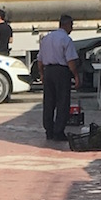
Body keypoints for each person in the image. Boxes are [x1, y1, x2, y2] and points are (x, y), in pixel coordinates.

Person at [37, 14, 78, 142]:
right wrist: (76, 76)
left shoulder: (46, 38)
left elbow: (40, 60)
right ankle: (58, 131)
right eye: (71, 25)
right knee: (62, 102)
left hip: (48, 71)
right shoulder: (66, 39)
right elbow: (71, 61)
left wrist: (42, 74)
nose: (72, 28)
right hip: (61, 71)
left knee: (48, 102)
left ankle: (49, 130)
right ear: (67, 25)